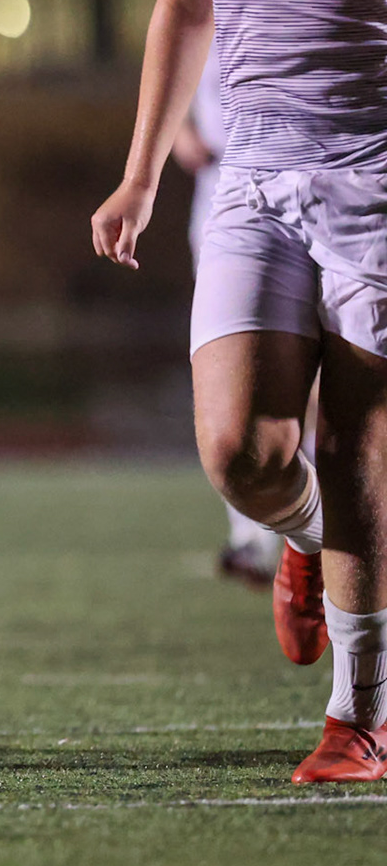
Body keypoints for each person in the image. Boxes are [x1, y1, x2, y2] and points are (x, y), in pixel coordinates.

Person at [92, 0, 387, 782]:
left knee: (357, 437)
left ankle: (360, 712)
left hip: (373, 175)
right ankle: (305, 540)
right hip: (254, 176)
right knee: (238, 452)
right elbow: (182, 6)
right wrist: (143, 166)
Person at [170, 49, 288, 590]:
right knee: (232, 391)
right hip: (222, 221)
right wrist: (176, 138)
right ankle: (252, 537)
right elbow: (170, 84)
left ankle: (306, 535)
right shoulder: (202, 4)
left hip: (306, 212)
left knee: (307, 385)